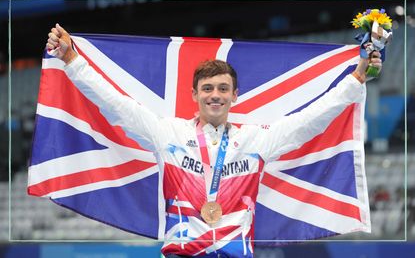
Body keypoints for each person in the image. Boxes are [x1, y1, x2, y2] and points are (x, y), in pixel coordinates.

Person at [46, 23, 382, 257]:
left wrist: (357, 78)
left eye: (223, 89)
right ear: (194, 94)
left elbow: (311, 120)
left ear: (235, 95)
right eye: (207, 89)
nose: (215, 95)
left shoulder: (256, 140)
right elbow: (115, 104)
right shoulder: (168, 133)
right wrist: (72, 60)